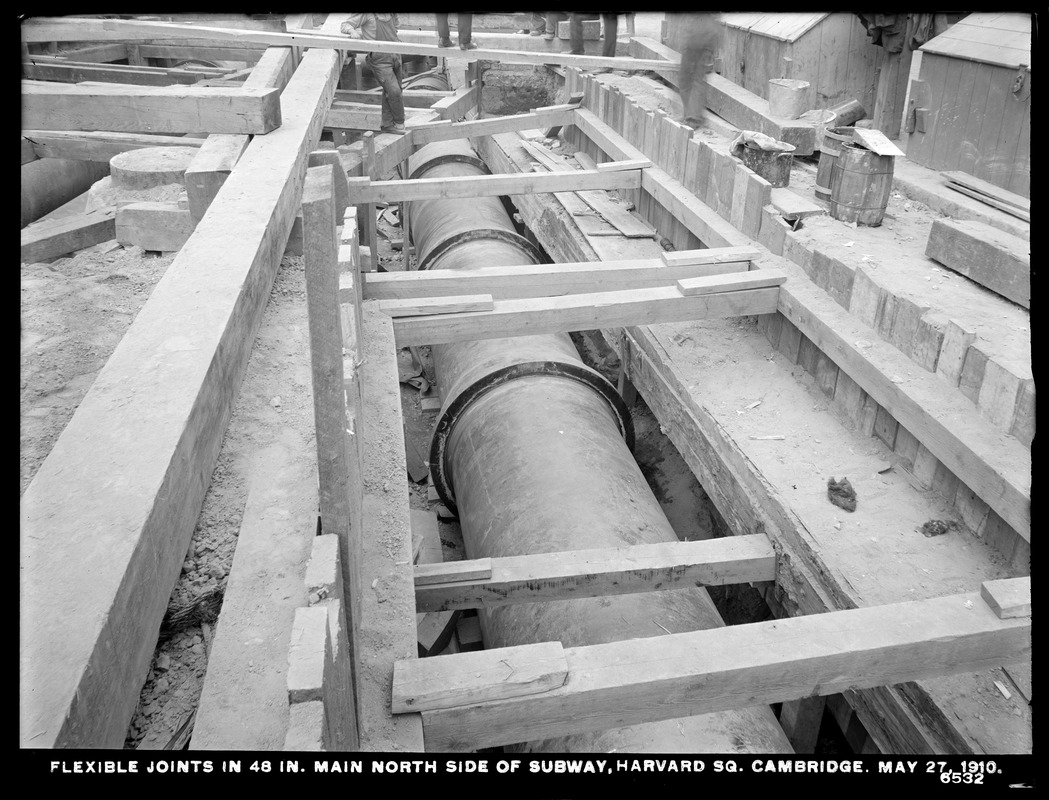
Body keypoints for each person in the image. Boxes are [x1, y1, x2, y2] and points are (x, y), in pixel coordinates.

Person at [342, 13, 407, 134]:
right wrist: (352, 32)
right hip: (379, 59)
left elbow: (396, 25)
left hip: (396, 55)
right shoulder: (367, 15)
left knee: (393, 90)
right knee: (394, 91)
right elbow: (345, 24)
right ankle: (399, 124)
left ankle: (387, 124)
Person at [672, 13, 720, 130]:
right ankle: (689, 115)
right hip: (692, 39)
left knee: (697, 80)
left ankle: (694, 119)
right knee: (685, 80)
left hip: (701, 40)